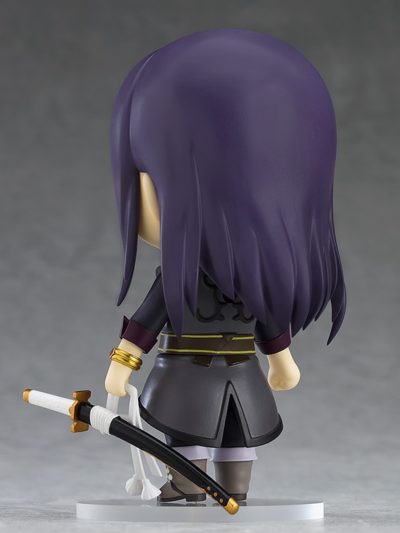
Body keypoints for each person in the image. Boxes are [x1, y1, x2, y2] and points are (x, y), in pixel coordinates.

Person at [105, 29, 346, 502]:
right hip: (188, 372)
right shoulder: (182, 274)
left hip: (234, 372)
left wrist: (281, 359)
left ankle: (222, 486)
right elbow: (148, 320)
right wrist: (123, 363)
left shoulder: (249, 276)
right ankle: (190, 483)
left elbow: (267, 319)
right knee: (190, 434)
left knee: (235, 441)